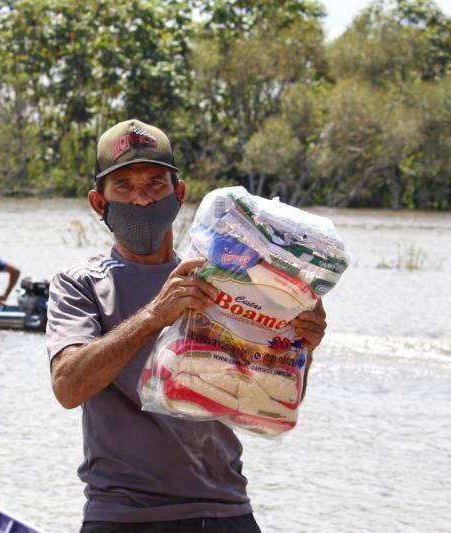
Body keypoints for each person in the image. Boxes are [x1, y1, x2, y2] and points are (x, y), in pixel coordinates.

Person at [46, 119, 328, 532]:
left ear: (178, 195)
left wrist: (301, 346)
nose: (141, 200)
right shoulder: (82, 283)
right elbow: (68, 387)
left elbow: (261, 395)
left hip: (227, 510)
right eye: (124, 187)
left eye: (155, 184)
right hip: (125, 516)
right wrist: (153, 317)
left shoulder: (225, 279)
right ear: (98, 203)